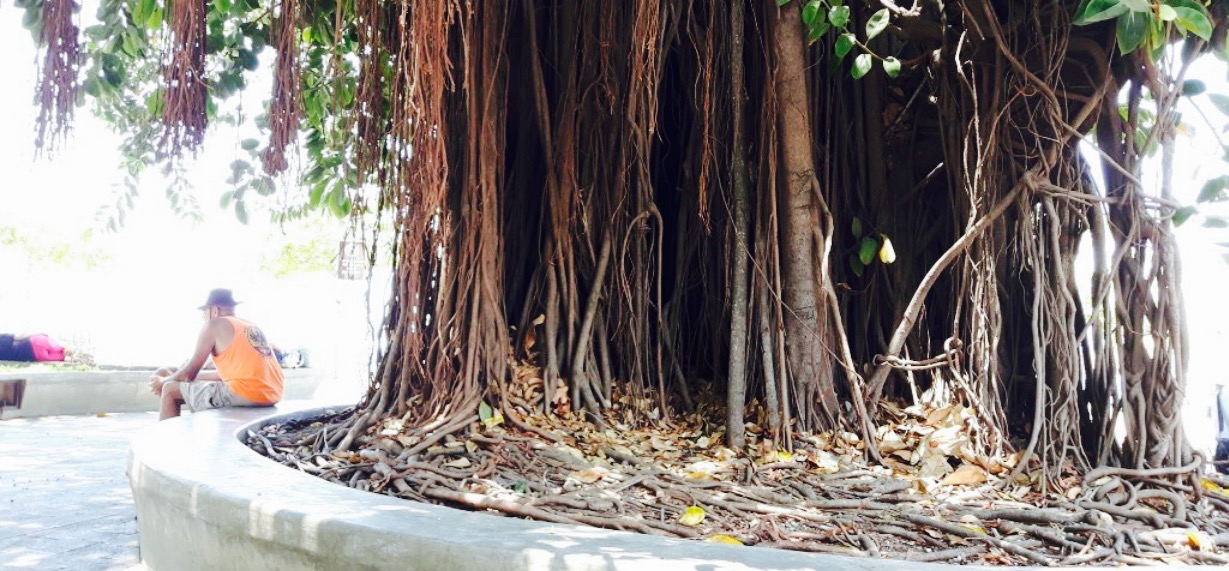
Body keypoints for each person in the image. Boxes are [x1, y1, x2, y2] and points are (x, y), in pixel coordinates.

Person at [149, 288, 284, 420]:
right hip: (272, 394)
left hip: (247, 393)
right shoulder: (249, 326)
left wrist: (162, 381)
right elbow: (228, 375)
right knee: (186, 387)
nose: (202, 316)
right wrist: (177, 374)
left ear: (214, 310)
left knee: (170, 390)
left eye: (204, 311)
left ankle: (166, 441)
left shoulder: (214, 324)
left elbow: (189, 374)